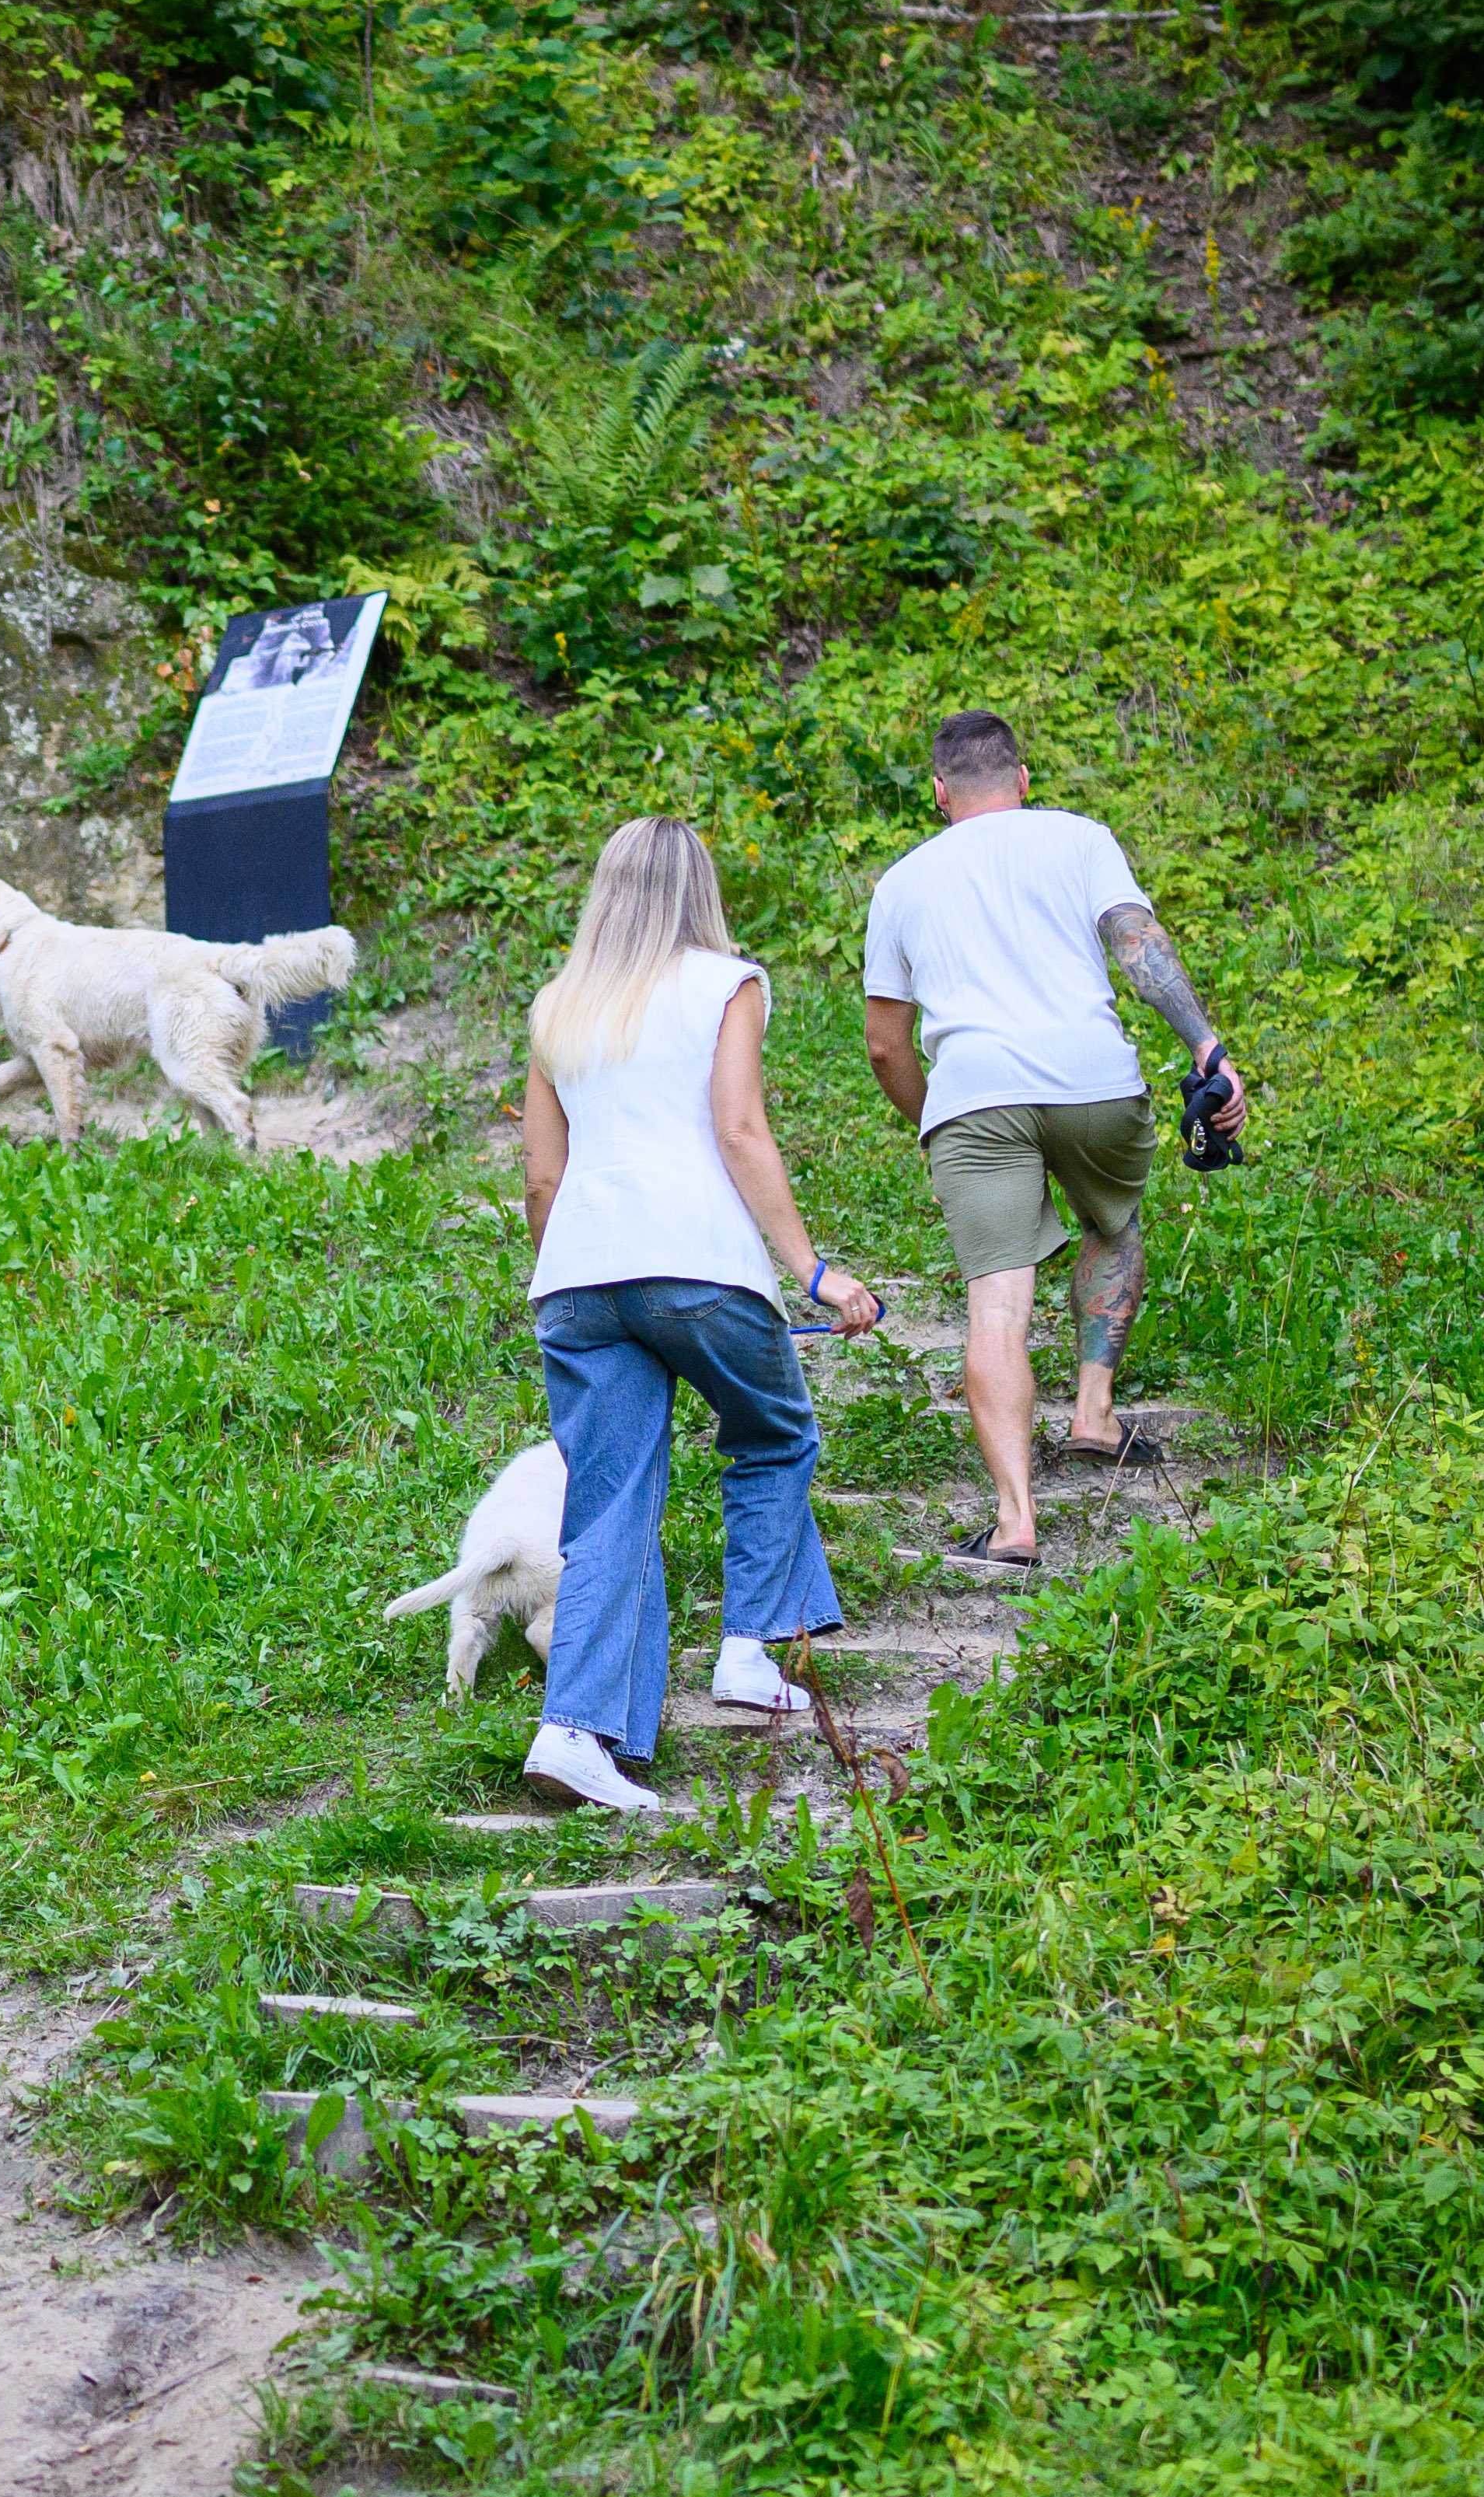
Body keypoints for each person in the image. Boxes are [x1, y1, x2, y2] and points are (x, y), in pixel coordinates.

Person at [512, 815, 888, 1819]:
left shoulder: (559, 1004)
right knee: (773, 1434)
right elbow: (738, 1127)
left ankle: (574, 1731)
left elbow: (542, 1175)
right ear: (700, 888)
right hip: (699, 1265)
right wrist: (812, 1271)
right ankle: (748, 1652)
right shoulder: (729, 983)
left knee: (609, 1506)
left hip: (578, 1277)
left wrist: (569, 1268)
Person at [854, 708, 1248, 1577]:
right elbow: (1137, 943)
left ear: (939, 793)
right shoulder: (1080, 839)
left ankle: (1014, 1524)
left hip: (974, 1097)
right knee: (1114, 1219)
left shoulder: (902, 882)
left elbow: (885, 1045)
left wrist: (936, 1120)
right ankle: (1094, 1413)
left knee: (997, 1306)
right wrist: (1205, 1045)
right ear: (1024, 780)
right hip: (1093, 1081)